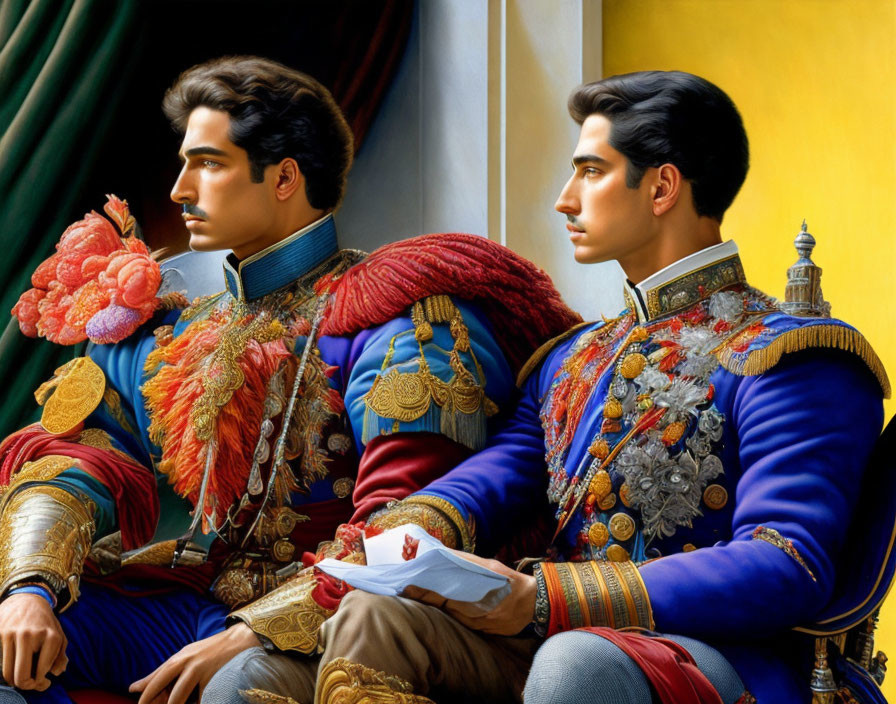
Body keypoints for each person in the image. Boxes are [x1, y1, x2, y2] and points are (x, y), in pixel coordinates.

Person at [286, 70, 890, 704]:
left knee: (578, 663)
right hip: (557, 636)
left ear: (662, 187)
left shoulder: (789, 353)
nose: (565, 199)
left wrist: (545, 597)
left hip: (723, 660)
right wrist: (414, 532)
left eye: (591, 172)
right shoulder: (575, 357)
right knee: (372, 621)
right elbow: (499, 475)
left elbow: (786, 563)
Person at [0, 56, 578, 704]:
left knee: (238, 687)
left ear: (283, 177)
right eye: (186, 162)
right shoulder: (175, 322)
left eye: (209, 164)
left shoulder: (402, 321)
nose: (181, 189)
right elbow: (77, 457)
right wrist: (29, 591)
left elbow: (406, 527)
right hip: (191, 603)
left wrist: (256, 630)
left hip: (345, 617)